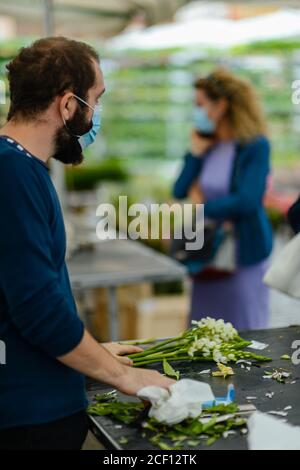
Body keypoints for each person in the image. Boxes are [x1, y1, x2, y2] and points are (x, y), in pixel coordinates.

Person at [0, 37, 174, 450]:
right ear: (67, 105)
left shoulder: (21, 166)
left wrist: (93, 354)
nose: (95, 115)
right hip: (29, 414)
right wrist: (126, 377)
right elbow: (37, 309)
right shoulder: (12, 173)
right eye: (95, 100)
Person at [173, 69, 273, 331]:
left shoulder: (254, 146)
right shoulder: (207, 144)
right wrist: (194, 153)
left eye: (200, 105)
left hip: (241, 255)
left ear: (221, 106)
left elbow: (248, 200)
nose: (196, 112)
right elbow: (179, 189)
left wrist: (202, 208)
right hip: (206, 253)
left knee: (244, 332)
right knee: (203, 331)